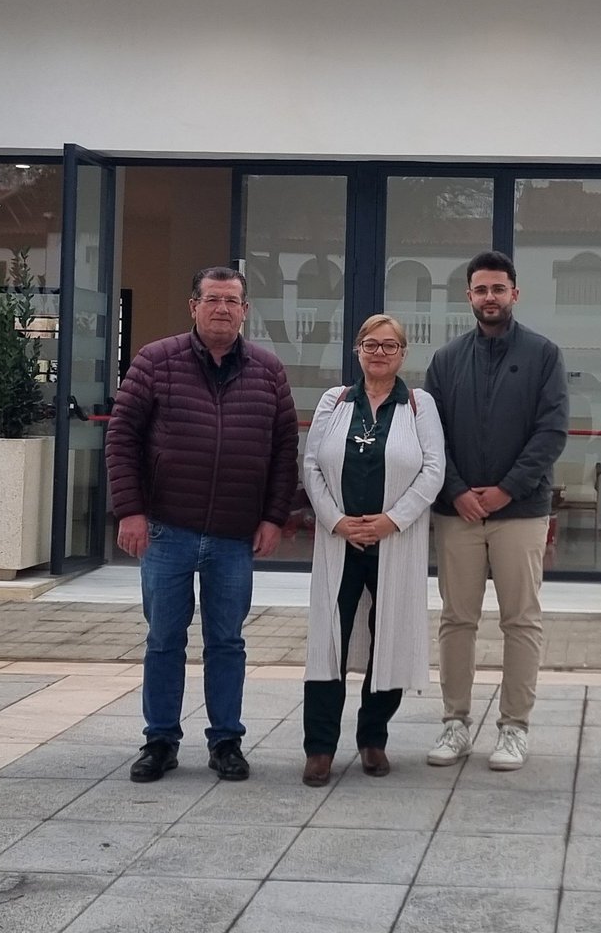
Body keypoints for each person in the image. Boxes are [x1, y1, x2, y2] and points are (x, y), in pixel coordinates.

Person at [105, 266, 298, 784]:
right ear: (193, 306)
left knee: (227, 642)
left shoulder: (268, 371)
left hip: (235, 535)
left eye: (232, 300)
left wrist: (273, 517)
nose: (222, 309)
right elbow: (121, 439)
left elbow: (283, 452)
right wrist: (131, 510)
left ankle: (226, 741)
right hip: (168, 528)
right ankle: (160, 741)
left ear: (245, 310)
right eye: (212, 299)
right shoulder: (155, 361)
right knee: (164, 638)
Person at [424, 250, 568, 771]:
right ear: (469, 296)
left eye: (498, 288)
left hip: (521, 511)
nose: (490, 298)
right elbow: (431, 437)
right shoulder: (445, 361)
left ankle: (514, 728)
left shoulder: (543, 355)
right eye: (480, 289)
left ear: (514, 293)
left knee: (521, 621)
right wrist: (459, 490)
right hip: (457, 512)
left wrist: (507, 490)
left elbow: (551, 432)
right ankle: (455, 723)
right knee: (456, 620)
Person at [300, 315, 445, 787]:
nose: (378, 352)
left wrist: (391, 521)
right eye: (369, 344)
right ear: (357, 351)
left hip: (393, 543)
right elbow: (312, 467)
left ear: (403, 354)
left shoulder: (420, 406)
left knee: (391, 638)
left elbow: (433, 472)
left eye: (389, 345)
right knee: (328, 643)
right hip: (340, 541)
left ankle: (373, 738)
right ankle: (320, 748)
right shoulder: (334, 401)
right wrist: (337, 521)